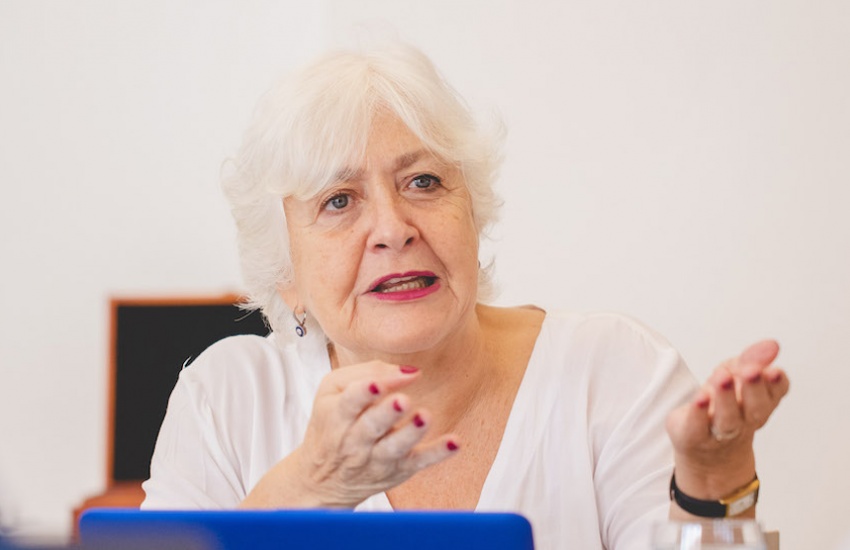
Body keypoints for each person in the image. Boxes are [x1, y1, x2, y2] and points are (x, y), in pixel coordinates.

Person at [141, 42, 789, 549]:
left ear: (472, 214)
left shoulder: (615, 369)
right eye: (339, 201)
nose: (394, 228)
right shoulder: (224, 401)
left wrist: (711, 477)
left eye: (423, 182)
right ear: (287, 273)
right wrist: (310, 484)